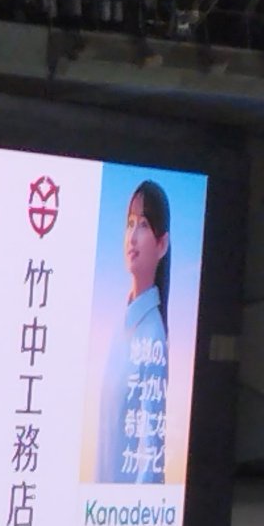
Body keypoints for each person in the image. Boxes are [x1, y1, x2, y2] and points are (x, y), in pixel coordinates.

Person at [96, 180, 171, 485]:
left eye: (143, 225)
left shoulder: (152, 335)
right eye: (130, 224)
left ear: (162, 245)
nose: (133, 236)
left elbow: (151, 456)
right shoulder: (123, 324)